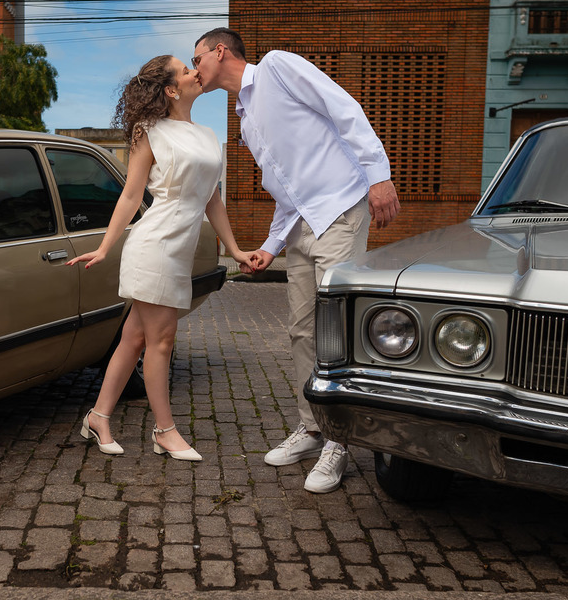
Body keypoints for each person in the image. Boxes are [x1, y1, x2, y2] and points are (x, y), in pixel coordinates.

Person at [191, 28, 400, 493]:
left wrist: (379, 175)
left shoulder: (279, 67)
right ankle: (312, 428)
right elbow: (285, 191)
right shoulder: (245, 120)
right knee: (302, 330)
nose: (195, 68)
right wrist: (271, 244)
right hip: (303, 224)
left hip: (342, 209)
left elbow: (343, 107)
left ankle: (340, 442)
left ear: (220, 51)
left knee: (335, 330)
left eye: (197, 57)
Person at [68, 55, 252, 462]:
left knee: (134, 338)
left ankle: (98, 416)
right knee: (161, 342)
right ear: (171, 89)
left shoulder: (206, 135)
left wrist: (235, 250)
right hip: (154, 245)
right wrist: (104, 246)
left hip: (177, 250)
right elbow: (132, 195)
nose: (194, 72)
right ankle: (165, 431)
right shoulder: (148, 131)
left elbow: (212, 200)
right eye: (186, 70)